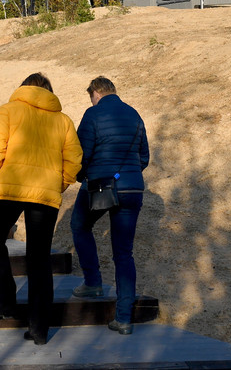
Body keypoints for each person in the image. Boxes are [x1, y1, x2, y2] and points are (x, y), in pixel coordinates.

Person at [0, 72, 82, 346]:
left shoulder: (9, 110)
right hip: (44, 194)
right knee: (39, 258)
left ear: (23, 87)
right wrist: (55, 185)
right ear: (49, 91)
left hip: (8, 188)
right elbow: (74, 160)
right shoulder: (63, 120)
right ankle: (39, 329)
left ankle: (4, 302)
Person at [70, 76, 150, 335]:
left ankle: (93, 282)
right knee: (124, 254)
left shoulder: (93, 114)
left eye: (90, 96)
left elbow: (83, 154)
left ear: (95, 93)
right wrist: (128, 174)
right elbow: (144, 156)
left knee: (79, 225)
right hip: (133, 188)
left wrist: (82, 176)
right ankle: (124, 319)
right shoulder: (134, 114)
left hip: (102, 186)